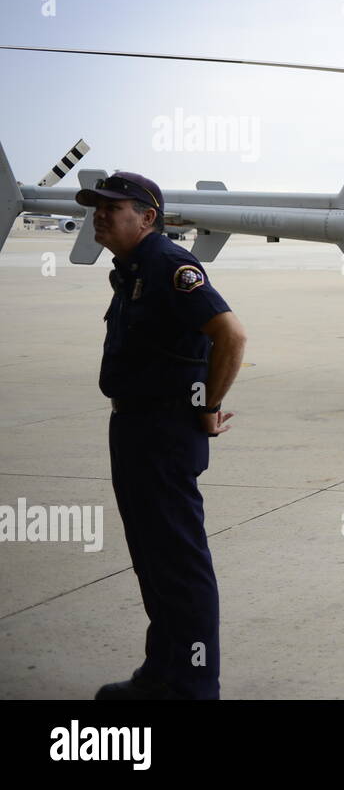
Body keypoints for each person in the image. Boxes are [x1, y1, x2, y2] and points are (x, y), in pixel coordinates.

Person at [74, 172, 247, 700]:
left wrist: (208, 406)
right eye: (95, 207)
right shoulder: (132, 268)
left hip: (164, 431)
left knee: (178, 563)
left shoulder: (169, 264)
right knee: (154, 560)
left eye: (113, 206)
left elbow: (231, 334)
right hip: (137, 427)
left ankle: (192, 687)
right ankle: (163, 673)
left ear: (147, 217)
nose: (99, 215)